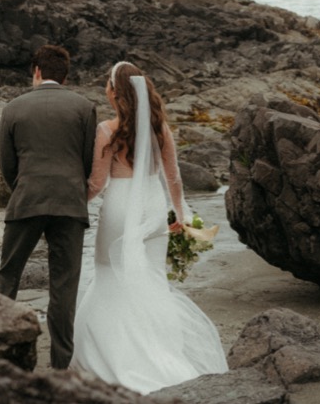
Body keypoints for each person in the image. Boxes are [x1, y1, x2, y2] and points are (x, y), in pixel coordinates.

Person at [70, 61, 226, 393]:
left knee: (109, 276)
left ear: (115, 92)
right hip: (154, 208)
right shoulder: (160, 128)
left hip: (120, 209)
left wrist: (71, 206)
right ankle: (161, 352)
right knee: (153, 280)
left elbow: (97, 184)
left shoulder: (107, 131)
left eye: (108, 85)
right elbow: (174, 177)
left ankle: (113, 356)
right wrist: (180, 214)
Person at [0, 44, 99, 369]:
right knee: (64, 284)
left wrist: (24, 188)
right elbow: (87, 161)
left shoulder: (13, 107)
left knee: (8, 275)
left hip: (27, 198)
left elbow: (6, 163)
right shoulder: (84, 107)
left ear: (36, 72)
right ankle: (60, 362)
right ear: (65, 75)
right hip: (70, 203)